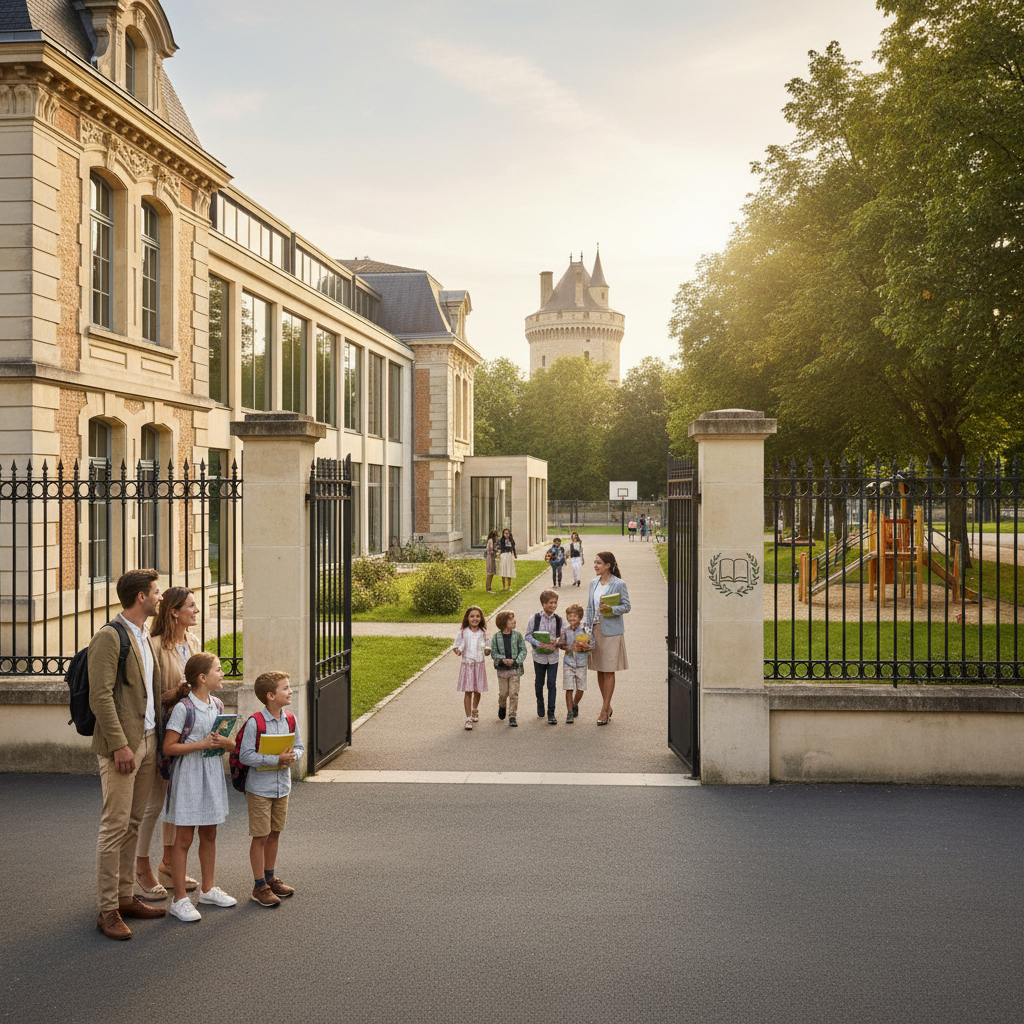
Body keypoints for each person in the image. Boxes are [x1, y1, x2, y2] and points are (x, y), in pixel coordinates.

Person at [89, 567, 167, 940]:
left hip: (149, 740)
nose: (160, 596)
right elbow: (100, 695)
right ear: (141, 597)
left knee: (133, 824)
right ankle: (107, 910)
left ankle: (124, 896)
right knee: (114, 826)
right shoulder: (109, 636)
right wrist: (120, 744)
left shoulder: (144, 635)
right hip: (123, 745)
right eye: (156, 591)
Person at [134, 586, 203, 901]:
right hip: (165, 733)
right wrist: (177, 693)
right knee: (154, 802)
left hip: (192, 733)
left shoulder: (193, 643)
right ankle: (140, 865)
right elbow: (148, 700)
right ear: (174, 611)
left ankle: (166, 861)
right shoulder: (156, 647)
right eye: (191, 606)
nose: (196, 611)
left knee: (176, 800)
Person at [161, 652, 237, 922]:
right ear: (203, 677)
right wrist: (201, 744)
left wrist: (227, 744)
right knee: (183, 839)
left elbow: (228, 744)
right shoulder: (184, 708)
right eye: (219, 669)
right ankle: (179, 899)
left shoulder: (217, 704)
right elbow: (169, 747)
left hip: (211, 774)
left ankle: (207, 889)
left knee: (210, 834)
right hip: (189, 775)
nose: (223, 673)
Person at [238, 670, 305, 908]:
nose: (290, 691)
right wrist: (274, 759)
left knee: (275, 833)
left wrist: (292, 756)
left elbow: (300, 747)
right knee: (261, 836)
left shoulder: (291, 719)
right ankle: (259, 886)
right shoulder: (255, 722)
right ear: (270, 695)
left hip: (282, 787)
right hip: (260, 789)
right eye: (285, 688)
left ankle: (270, 877)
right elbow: (245, 756)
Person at [584, 551, 631, 725]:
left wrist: (612, 610)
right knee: (600, 669)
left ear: (608, 565)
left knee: (609, 669)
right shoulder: (593, 583)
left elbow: (627, 606)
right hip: (595, 629)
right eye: (594, 562)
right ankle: (608, 705)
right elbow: (589, 607)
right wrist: (586, 631)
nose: (595, 565)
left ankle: (604, 710)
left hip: (612, 632)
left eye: (598, 563)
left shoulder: (619, 584)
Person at [525, 590, 562, 725]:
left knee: (552, 684)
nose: (553, 605)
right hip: (539, 657)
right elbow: (528, 635)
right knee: (539, 682)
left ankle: (551, 713)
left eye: (555, 603)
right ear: (543, 603)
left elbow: (563, 637)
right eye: (551, 603)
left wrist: (557, 642)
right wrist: (539, 643)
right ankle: (540, 700)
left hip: (553, 658)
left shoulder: (558, 619)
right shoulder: (534, 618)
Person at [453, 606, 491, 730]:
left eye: (477, 616)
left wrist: (487, 651)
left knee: (477, 690)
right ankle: (468, 718)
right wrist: (457, 651)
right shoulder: (463, 631)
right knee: (468, 691)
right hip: (467, 664)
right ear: (467, 618)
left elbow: (487, 645)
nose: (475, 618)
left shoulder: (483, 632)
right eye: (472, 616)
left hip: (479, 664)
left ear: (481, 618)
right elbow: (456, 645)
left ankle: (475, 709)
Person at [490, 610, 527, 727]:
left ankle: (512, 715)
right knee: (503, 693)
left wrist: (516, 660)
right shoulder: (496, 637)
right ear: (503, 622)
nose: (513, 621)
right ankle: (502, 705)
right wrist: (502, 659)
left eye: (513, 619)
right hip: (502, 671)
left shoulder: (518, 635)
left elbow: (523, 650)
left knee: (513, 693)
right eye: (510, 620)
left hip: (515, 669)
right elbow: (493, 653)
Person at [557, 603, 591, 723]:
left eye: (574, 616)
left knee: (581, 688)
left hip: (581, 663)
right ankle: (569, 712)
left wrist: (584, 646)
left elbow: (593, 645)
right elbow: (561, 643)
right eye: (569, 616)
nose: (571, 618)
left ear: (580, 617)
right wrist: (565, 647)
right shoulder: (565, 630)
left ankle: (575, 703)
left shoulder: (586, 629)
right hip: (568, 663)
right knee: (569, 688)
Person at [498, 528, 517, 592]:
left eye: (507, 533)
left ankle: (508, 587)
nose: (506, 535)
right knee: (503, 570)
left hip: (509, 555)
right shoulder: (502, 540)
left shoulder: (511, 540)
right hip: (504, 555)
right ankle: (504, 586)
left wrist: (515, 554)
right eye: (505, 533)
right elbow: (500, 547)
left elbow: (513, 548)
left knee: (509, 570)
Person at [484, 529, 499, 594]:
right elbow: (491, 550)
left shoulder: (492, 541)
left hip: (492, 558)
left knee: (492, 573)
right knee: (489, 573)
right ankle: (488, 588)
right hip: (490, 558)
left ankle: (489, 587)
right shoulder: (491, 541)